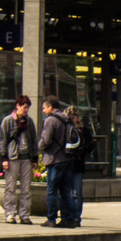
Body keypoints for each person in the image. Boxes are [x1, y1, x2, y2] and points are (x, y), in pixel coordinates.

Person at [38, 97, 80, 229]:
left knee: (52, 190)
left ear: (50, 107)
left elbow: (46, 140)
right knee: (66, 190)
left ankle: (51, 219)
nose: (44, 110)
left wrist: (39, 146)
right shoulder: (67, 118)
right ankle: (68, 219)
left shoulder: (50, 120)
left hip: (55, 159)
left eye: (44, 107)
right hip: (68, 158)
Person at [0, 95, 36, 224]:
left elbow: (34, 140)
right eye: (24, 107)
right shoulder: (7, 121)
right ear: (17, 106)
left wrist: (34, 158)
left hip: (26, 158)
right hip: (12, 157)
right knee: (11, 186)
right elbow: (2, 140)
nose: (26, 110)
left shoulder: (29, 122)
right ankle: (10, 213)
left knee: (26, 188)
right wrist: (4, 158)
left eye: (28, 108)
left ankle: (24, 214)